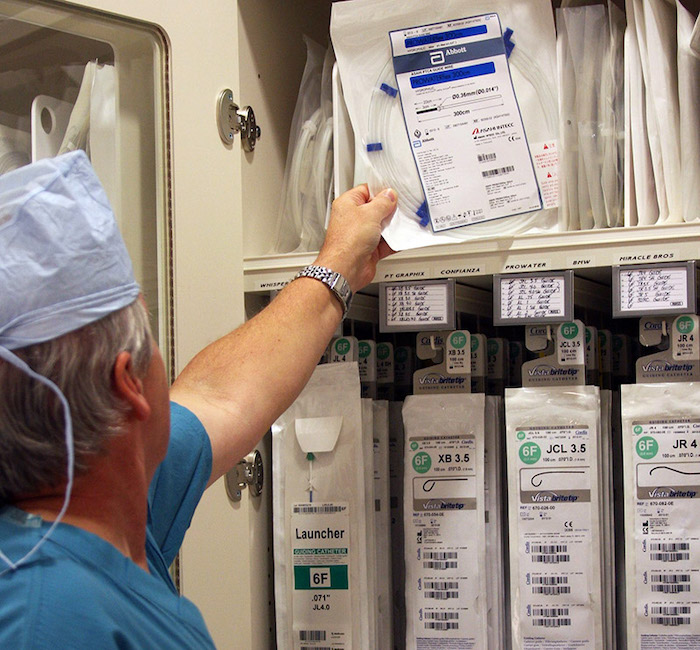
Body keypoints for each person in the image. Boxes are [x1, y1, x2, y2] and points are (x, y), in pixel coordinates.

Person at [0, 150, 396, 647]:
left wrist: (338, 264)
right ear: (128, 387)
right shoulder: (44, 619)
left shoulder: (105, 501)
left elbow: (223, 395)